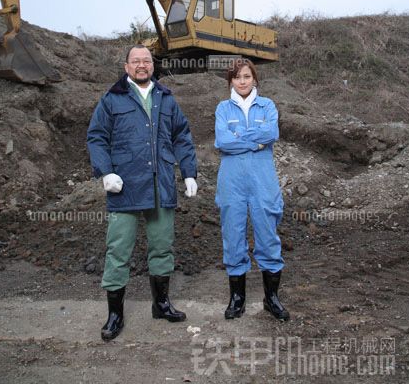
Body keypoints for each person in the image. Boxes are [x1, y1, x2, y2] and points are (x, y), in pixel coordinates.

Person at [87, 44, 198, 341]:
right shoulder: (112, 99)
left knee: (162, 247)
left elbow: (182, 137)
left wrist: (188, 172)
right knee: (118, 250)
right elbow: (96, 137)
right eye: (135, 61)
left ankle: (161, 304)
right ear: (126, 67)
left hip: (160, 184)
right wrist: (105, 171)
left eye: (146, 61)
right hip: (125, 186)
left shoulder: (166, 98)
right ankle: (115, 314)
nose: (141, 65)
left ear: (153, 65)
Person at [214, 58, 289, 321]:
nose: (242, 81)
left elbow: (271, 134)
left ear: (254, 79)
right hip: (231, 181)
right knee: (233, 236)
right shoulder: (223, 108)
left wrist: (239, 141)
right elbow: (222, 141)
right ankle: (237, 299)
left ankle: (271, 298)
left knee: (267, 236)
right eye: (237, 77)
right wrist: (254, 143)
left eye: (247, 76)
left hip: (262, 181)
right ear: (231, 81)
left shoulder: (266, 105)